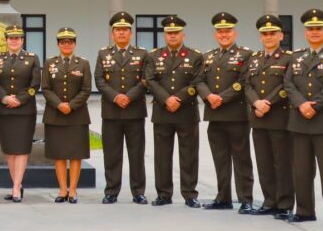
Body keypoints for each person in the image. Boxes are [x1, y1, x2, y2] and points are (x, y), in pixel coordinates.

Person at [283, 8, 323, 227]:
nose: (314, 32)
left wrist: (315, 105)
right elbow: (288, 83)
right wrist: (301, 104)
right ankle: (304, 210)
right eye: (310, 29)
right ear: (305, 32)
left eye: (318, 29)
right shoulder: (296, 56)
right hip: (299, 121)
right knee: (301, 171)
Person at [142, 15, 204, 208]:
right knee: (162, 155)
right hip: (162, 112)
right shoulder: (154, 56)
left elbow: (197, 81)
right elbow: (150, 80)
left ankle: (189, 194)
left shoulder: (195, 56)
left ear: (183, 34)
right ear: (164, 35)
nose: (172, 36)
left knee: (189, 155)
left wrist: (179, 98)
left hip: (186, 112)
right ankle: (163, 193)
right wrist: (166, 99)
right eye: (169, 33)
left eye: (176, 32)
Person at [196, 12, 255, 213]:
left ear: (234, 33)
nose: (224, 35)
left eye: (227, 31)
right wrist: (208, 96)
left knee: (241, 159)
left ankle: (246, 198)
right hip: (214, 114)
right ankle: (223, 197)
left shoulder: (246, 55)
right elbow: (199, 80)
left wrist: (223, 97)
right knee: (220, 159)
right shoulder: (208, 56)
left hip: (237, 115)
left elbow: (245, 81)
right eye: (220, 32)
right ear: (215, 35)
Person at [94, 11, 149, 205]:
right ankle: (111, 191)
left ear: (131, 33)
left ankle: (138, 192)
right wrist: (116, 97)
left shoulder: (142, 54)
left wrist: (129, 96)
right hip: (111, 111)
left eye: (125, 30)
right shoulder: (104, 54)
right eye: (118, 30)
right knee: (112, 154)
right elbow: (99, 80)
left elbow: (145, 80)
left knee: (136, 154)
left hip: (134, 112)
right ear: (112, 33)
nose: (122, 33)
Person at [243, 14, 294, 217]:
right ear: (260, 37)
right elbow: (247, 84)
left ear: (280, 35)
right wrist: (256, 102)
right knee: (264, 163)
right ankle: (269, 201)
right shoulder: (254, 59)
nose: (269, 37)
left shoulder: (289, 58)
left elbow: (286, 85)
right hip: (258, 117)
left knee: (282, 163)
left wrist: (267, 103)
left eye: (272, 33)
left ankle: (284, 204)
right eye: (265, 34)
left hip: (279, 118)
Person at [40, 27, 92, 203]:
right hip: (55, 115)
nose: (66, 45)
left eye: (70, 42)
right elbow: (45, 88)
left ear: (75, 44)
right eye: (63, 42)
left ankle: (73, 190)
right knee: (59, 154)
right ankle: (62, 189)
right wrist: (59, 105)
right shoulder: (50, 63)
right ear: (58, 44)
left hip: (77, 115)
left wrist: (71, 105)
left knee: (75, 154)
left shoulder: (83, 63)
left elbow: (86, 89)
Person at [0, 24, 41, 202]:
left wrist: (19, 99)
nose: (14, 41)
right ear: (6, 40)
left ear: (22, 40)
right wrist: (5, 98)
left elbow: (35, 85)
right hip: (4, 110)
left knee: (21, 149)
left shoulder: (32, 58)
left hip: (24, 111)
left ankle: (16, 186)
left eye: (17, 38)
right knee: (9, 150)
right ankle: (16, 184)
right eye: (10, 38)